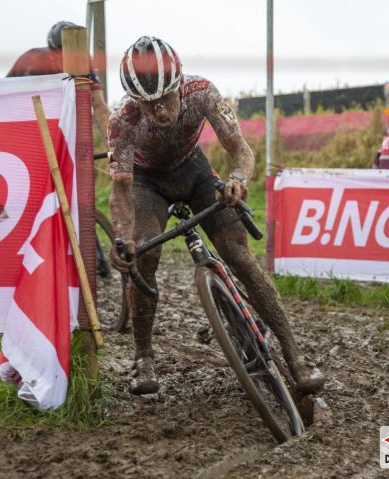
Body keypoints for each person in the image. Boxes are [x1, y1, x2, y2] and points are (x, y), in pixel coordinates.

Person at [107, 36, 325, 396]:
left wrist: (237, 179)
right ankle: (143, 357)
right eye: (149, 105)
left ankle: (294, 355)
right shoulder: (123, 121)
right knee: (144, 254)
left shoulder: (202, 91)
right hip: (148, 185)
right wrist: (122, 236)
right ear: (135, 101)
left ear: (179, 86)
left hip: (194, 171)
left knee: (239, 255)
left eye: (165, 99)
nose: (159, 111)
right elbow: (121, 188)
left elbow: (240, 147)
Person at [7, 20, 110, 135]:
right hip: (31, 120)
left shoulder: (84, 61)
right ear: (51, 52)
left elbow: (98, 104)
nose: (65, 61)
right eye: (60, 56)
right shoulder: (31, 60)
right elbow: (4, 97)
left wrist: (114, 138)